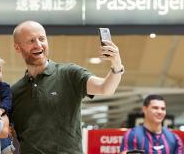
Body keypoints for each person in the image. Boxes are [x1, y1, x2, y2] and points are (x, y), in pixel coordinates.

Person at [9, 21, 124, 153]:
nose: (38, 45)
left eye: (42, 39)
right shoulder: (14, 91)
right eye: (31, 41)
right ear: (18, 48)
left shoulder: (69, 74)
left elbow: (105, 88)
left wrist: (117, 65)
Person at [120, 94, 184, 154]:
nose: (160, 112)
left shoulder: (174, 138)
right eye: (155, 108)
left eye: (163, 109)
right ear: (144, 109)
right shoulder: (133, 135)